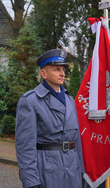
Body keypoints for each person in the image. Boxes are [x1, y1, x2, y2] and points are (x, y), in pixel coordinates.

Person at [15, 49, 85, 188]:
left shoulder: (69, 99)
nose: (62, 73)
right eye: (56, 69)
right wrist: (30, 180)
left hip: (72, 169)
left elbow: (76, 139)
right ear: (44, 74)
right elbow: (25, 146)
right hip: (49, 170)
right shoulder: (30, 101)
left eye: (63, 69)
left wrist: (81, 170)